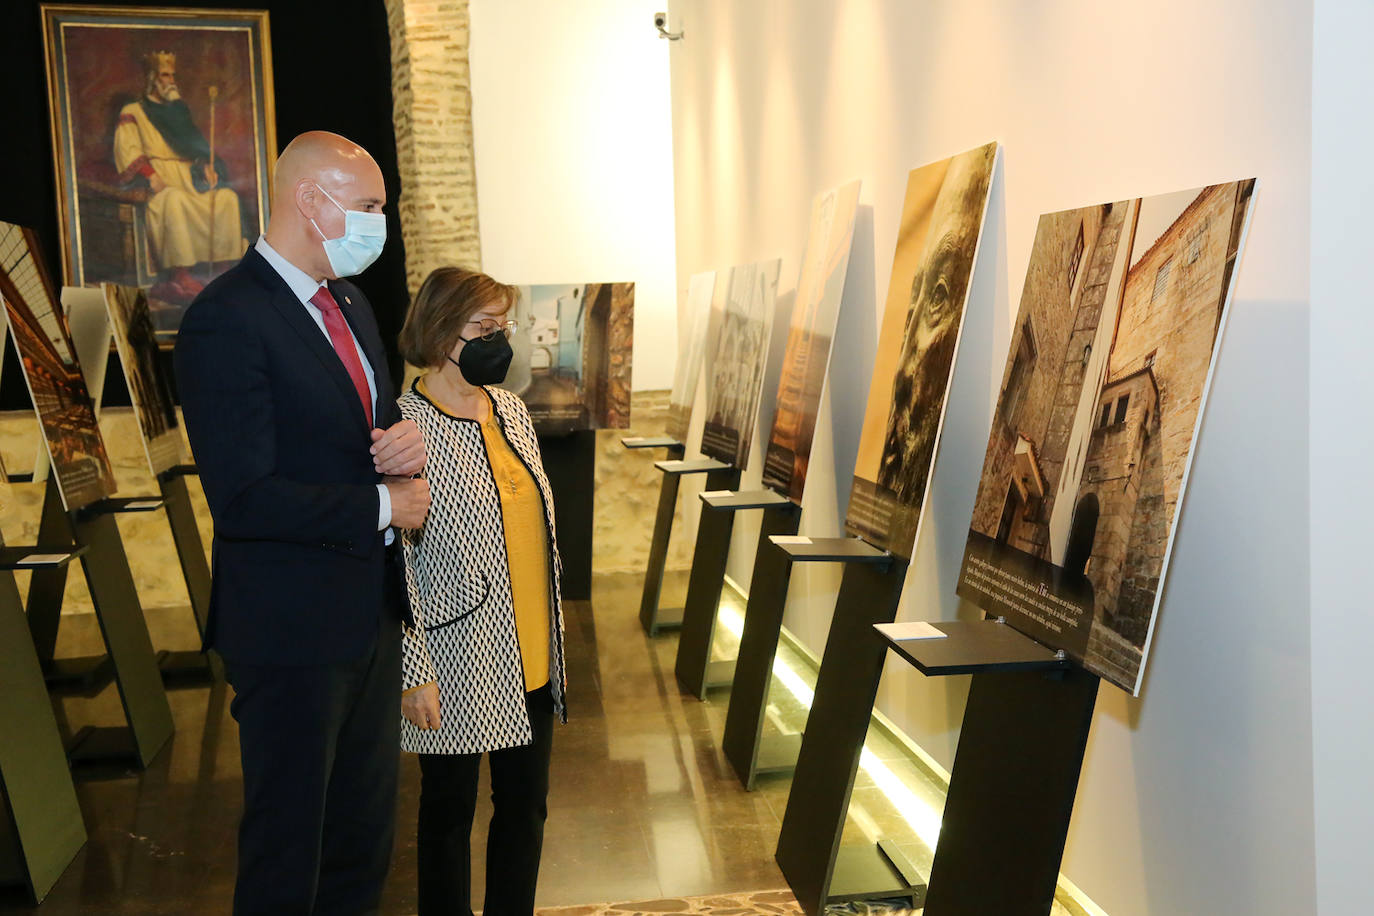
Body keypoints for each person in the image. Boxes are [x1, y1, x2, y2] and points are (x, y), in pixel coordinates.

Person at [174, 130, 431, 915]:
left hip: (369, 619)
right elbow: (245, 498)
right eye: (368, 208)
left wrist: (405, 442)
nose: (378, 226)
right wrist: (386, 504)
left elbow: (368, 433)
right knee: (290, 851)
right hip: (289, 634)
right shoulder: (227, 318)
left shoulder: (350, 303)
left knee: (363, 842)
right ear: (309, 201)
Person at [394, 266, 567, 916]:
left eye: (504, 326)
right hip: (455, 657)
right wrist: (413, 671)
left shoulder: (512, 410)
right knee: (447, 814)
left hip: (532, 654)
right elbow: (397, 562)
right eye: (484, 328)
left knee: (525, 807)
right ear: (441, 331)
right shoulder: (404, 428)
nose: (500, 340)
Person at [115, 50, 246, 303]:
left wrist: (205, 164)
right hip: (159, 183)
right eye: (165, 75)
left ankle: (222, 271)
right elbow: (127, 149)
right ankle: (181, 274)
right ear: (152, 77)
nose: (171, 80)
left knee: (226, 198)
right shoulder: (134, 110)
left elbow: (194, 148)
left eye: (172, 75)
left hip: (189, 179)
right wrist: (149, 173)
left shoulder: (179, 112)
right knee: (173, 200)